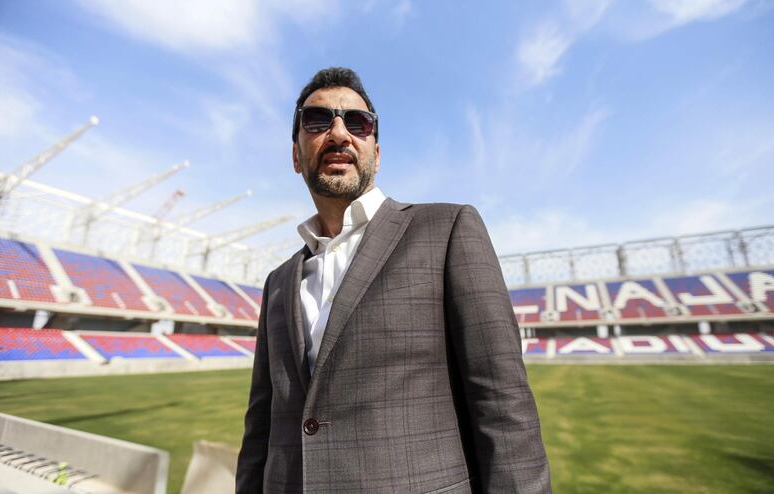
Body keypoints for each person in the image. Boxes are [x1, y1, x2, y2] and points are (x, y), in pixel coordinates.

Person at [236, 67, 551, 493]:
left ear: (376, 153)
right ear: (296, 155)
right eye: (316, 121)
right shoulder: (279, 281)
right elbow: (261, 424)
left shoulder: (446, 229)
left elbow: (503, 406)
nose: (338, 133)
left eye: (357, 123)